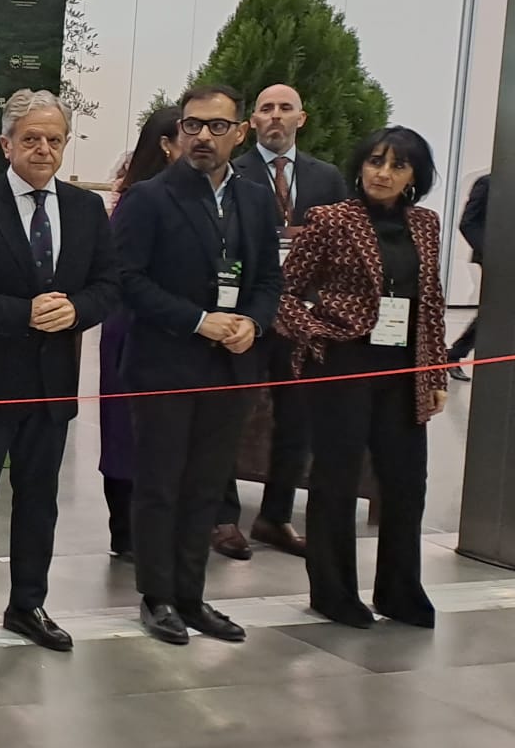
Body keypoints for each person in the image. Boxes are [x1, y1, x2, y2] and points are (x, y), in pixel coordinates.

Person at [0, 91, 120, 654]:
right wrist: (21, 313)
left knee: (39, 500)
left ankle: (28, 603)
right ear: (6, 144)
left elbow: (109, 286)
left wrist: (78, 310)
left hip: (51, 384)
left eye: (54, 140)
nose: (43, 149)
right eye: (31, 139)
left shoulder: (85, 210)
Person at [114, 85, 282, 646]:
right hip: (165, 365)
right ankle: (157, 596)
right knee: (161, 484)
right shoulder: (150, 198)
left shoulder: (255, 199)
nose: (203, 136)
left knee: (207, 486)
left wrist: (253, 323)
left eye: (216, 126)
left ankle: (192, 594)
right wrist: (198, 321)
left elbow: (268, 279)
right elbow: (128, 280)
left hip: (230, 368)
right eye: (192, 125)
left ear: (240, 132)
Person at [277, 128, 447, 628]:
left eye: (397, 165)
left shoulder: (426, 224)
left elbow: (431, 302)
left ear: (415, 176)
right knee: (337, 478)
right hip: (343, 364)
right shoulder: (331, 219)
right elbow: (282, 292)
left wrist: (435, 371)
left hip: (404, 369)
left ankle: (399, 591)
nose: (383, 173)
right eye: (375, 161)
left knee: (406, 482)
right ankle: (333, 592)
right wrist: (316, 332)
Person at [212, 83, 348, 559]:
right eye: (265, 108)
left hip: (303, 319)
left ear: (300, 118)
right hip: (248, 313)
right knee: (231, 416)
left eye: (285, 108)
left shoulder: (326, 177)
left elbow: (340, 247)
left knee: (297, 419)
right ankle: (223, 516)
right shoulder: (234, 173)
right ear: (251, 122)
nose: (275, 116)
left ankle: (275, 516)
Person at [98, 105, 180, 558]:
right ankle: (127, 531)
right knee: (125, 432)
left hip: (181, 336)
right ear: (166, 145)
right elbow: (123, 272)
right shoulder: (138, 199)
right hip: (133, 329)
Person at [449, 172, 490, 381]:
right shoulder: (488, 182)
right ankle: (454, 354)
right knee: (494, 309)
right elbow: (468, 222)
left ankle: (454, 354)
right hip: (495, 259)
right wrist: (489, 251)